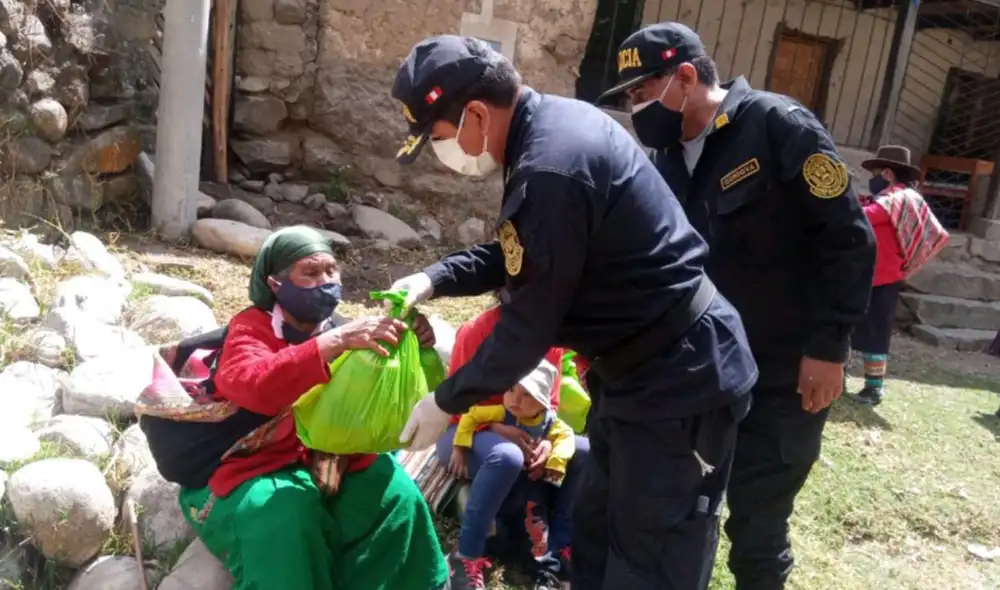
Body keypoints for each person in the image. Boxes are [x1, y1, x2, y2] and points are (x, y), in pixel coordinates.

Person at [388, 35, 758, 590]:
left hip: (681, 379)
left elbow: (529, 323)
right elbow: (528, 252)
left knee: (651, 556)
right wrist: (437, 277)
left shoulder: (551, 166)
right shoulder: (547, 132)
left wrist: (446, 400)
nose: (443, 153)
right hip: (635, 374)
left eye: (439, 137)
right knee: (600, 533)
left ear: (475, 114)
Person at [599, 22, 876, 590]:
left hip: (784, 371)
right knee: (687, 511)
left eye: (640, 93)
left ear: (684, 77)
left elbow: (848, 239)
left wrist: (828, 348)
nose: (634, 109)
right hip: (707, 373)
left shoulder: (777, 126)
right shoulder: (669, 160)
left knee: (758, 523)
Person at [175, 226, 449, 590]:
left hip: (327, 456)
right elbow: (250, 383)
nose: (326, 281)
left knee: (396, 494)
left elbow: (374, 398)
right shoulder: (251, 329)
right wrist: (332, 343)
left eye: (331, 270)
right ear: (275, 285)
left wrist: (415, 344)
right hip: (254, 462)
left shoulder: (338, 328)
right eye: (310, 273)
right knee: (283, 515)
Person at [435, 301, 577, 590]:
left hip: (526, 430)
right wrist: (498, 428)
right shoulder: (477, 331)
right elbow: (457, 405)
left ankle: (562, 551)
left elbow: (549, 406)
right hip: (467, 429)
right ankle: (466, 554)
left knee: (583, 451)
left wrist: (549, 447)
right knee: (507, 455)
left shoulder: (552, 336)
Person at [854, 145, 946, 405]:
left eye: (875, 173)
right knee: (857, 327)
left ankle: (874, 388)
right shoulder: (896, 197)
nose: (873, 178)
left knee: (875, 332)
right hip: (872, 274)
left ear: (887, 172)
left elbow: (864, 217)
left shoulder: (897, 199)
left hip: (881, 278)